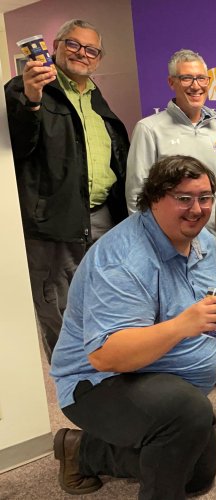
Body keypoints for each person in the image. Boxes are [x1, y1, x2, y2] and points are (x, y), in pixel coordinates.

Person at [49, 155, 216, 499]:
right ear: (154, 198)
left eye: (205, 197)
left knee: (197, 476)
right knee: (187, 416)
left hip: (161, 378)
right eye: (184, 198)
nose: (197, 209)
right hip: (98, 383)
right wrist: (181, 326)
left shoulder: (202, 241)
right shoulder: (123, 261)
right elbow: (106, 355)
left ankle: (81, 450)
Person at [125, 49, 216, 392]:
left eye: (201, 78)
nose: (196, 85)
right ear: (172, 82)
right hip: (174, 246)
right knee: (179, 314)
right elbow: (138, 193)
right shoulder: (150, 129)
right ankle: (182, 383)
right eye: (187, 78)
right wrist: (152, 245)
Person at [5, 19, 129, 362]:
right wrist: (30, 99)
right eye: (73, 44)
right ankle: (74, 389)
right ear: (55, 45)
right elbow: (15, 148)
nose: (82, 54)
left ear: (98, 59)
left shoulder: (94, 97)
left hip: (102, 219)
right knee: (58, 309)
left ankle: (103, 380)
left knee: (103, 302)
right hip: (53, 225)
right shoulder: (27, 88)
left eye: (91, 50)